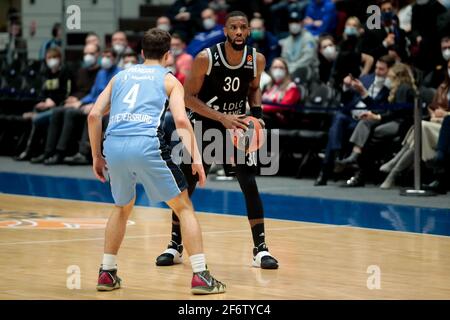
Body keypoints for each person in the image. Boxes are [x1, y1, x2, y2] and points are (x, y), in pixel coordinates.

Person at [88, 28, 225, 295]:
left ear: (141, 53)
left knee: (121, 207)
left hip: (113, 145)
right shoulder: (170, 79)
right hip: (147, 143)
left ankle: (107, 272)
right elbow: (183, 121)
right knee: (184, 207)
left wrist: (96, 155)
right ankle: (201, 276)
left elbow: (94, 115)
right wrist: (196, 158)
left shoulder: (120, 76)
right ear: (167, 55)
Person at [156, 11, 279, 269]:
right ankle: (175, 245)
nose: (238, 32)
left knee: (249, 181)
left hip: (237, 125)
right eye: (233, 27)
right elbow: (188, 97)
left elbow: (254, 89)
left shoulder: (257, 59)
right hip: (203, 123)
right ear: (225, 31)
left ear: (248, 32)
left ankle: (261, 249)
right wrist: (221, 118)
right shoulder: (205, 58)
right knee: (187, 184)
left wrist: (257, 117)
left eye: (243, 28)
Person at [314, 55, 395, 186]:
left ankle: (327, 168)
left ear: (389, 70)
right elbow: (346, 101)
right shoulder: (366, 79)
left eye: (382, 69)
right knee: (339, 118)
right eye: (376, 68)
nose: (377, 72)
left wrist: (363, 92)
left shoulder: (390, 87)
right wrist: (346, 87)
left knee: (345, 127)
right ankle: (336, 155)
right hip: (351, 115)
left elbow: (380, 110)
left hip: (368, 119)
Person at [379, 58, 450, 189]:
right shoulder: (443, 87)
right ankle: (394, 171)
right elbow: (432, 106)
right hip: (436, 123)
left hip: (446, 127)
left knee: (420, 127)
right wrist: (434, 114)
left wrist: (446, 115)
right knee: (420, 128)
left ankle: (394, 169)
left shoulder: (404, 88)